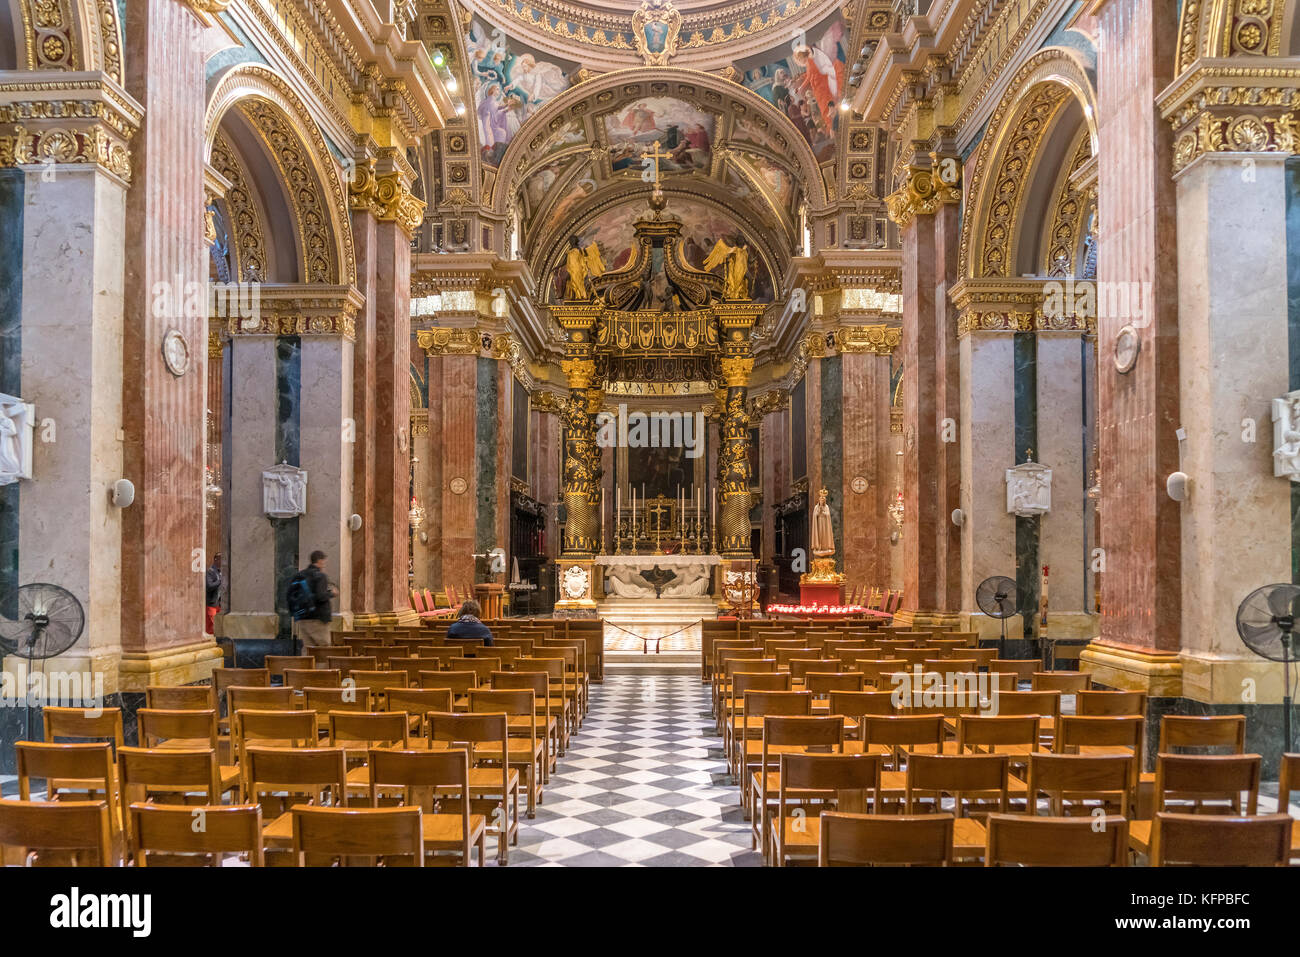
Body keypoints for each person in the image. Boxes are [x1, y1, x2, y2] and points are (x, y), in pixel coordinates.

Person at [290, 550, 337, 649]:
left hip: (303, 618)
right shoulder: (320, 576)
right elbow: (320, 596)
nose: (324, 564)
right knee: (324, 649)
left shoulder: (300, 575)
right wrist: (332, 593)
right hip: (317, 619)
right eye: (324, 561)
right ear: (319, 561)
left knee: (308, 649)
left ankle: (306, 665)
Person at [205, 554, 223, 635]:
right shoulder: (210, 571)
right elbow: (209, 586)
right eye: (221, 559)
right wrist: (220, 580)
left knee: (219, 626)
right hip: (211, 603)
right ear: (216, 560)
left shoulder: (221, 572)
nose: (223, 562)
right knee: (211, 627)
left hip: (219, 604)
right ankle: (209, 644)